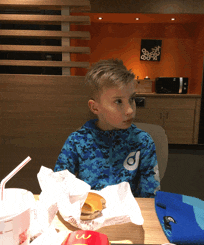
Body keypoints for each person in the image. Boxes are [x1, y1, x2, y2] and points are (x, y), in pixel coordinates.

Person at [54, 58, 160, 197]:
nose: (130, 110)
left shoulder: (142, 142)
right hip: (88, 213)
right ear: (95, 107)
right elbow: (57, 187)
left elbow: (151, 195)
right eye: (118, 101)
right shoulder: (77, 141)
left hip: (127, 215)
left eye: (132, 99)